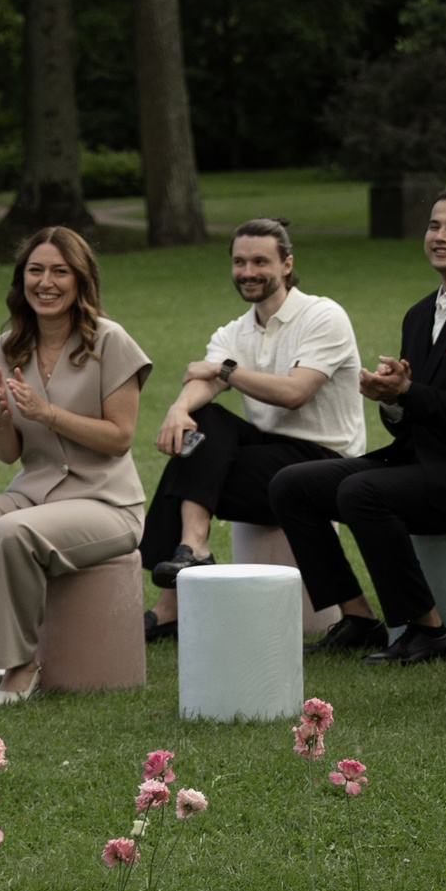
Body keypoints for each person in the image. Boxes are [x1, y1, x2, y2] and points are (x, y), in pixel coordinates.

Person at [0, 228, 151, 712]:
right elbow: (7, 453)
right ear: (21, 281)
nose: (46, 282)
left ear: (81, 280)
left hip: (106, 503)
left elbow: (120, 436)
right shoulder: (9, 345)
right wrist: (1, 418)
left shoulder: (110, 340)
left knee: (11, 532)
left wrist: (46, 413)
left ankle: (21, 663)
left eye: (60, 271)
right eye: (35, 271)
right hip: (36, 493)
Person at [267, 190, 446, 664]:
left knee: (362, 493)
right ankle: (358, 618)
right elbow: (410, 413)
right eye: (434, 226)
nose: (441, 236)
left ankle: (427, 627)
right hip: (417, 458)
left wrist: (408, 395)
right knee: (292, 485)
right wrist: (392, 401)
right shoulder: (419, 314)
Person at [139, 218, 365, 636]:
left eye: (261, 261)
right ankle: (194, 547)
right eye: (239, 262)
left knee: (190, 463)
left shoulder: (322, 315)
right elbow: (202, 383)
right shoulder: (235, 331)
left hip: (327, 459)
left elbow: (295, 393)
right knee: (200, 424)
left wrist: (225, 370)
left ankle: (172, 599)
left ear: (286, 264)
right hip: (268, 453)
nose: (248, 272)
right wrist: (177, 408)